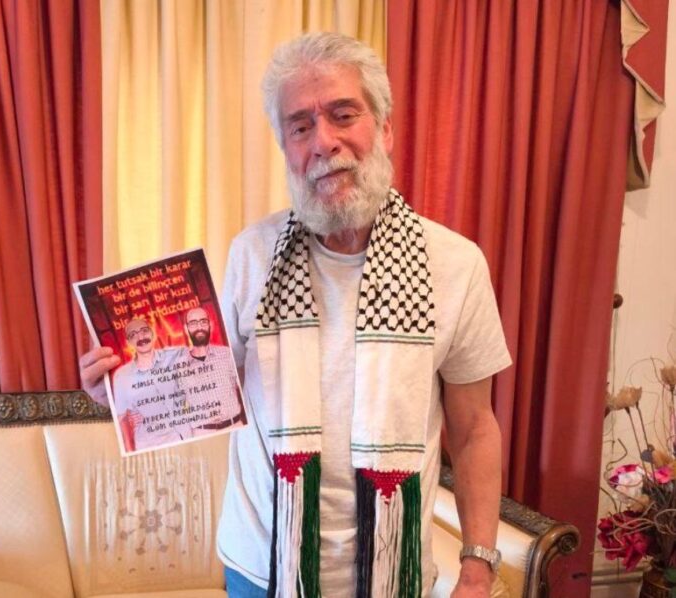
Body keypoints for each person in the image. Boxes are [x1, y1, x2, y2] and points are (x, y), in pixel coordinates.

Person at [80, 32, 510, 598]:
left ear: (384, 128)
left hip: (392, 570)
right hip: (260, 568)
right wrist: (128, 390)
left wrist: (477, 565)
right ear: (285, 146)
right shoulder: (251, 254)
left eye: (343, 115)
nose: (324, 142)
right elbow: (208, 387)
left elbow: (475, 429)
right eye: (300, 126)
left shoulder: (455, 264)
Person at [109, 317, 187, 452]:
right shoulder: (121, 376)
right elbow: (122, 418)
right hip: (149, 445)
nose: (141, 337)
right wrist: (129, 450)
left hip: (183, 437)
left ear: (152, 333)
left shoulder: (175, 355)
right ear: (128, 342)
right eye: (133, 335)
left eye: (144, 331)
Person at [179, 306, 246, 435]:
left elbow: (246, 386)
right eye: (193, 323)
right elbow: (177, 405)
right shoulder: (179, 366)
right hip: (201, 433)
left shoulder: (227, 354)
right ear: (186, 329)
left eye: (203, 322)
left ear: (211, 325)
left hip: (235, 426)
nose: (199, 327)